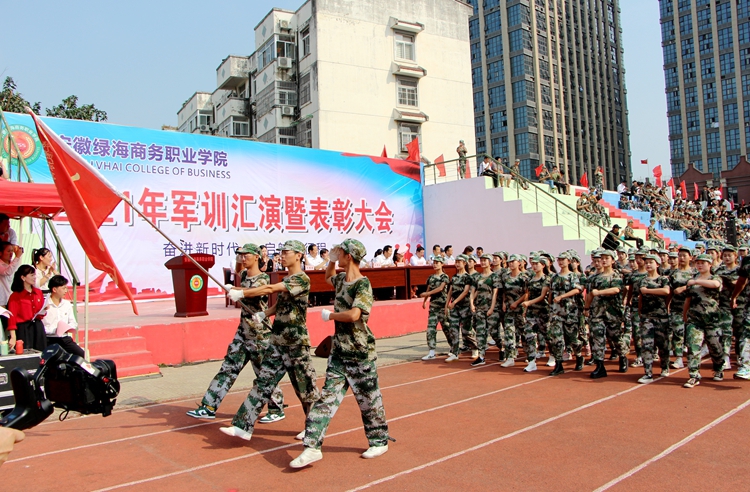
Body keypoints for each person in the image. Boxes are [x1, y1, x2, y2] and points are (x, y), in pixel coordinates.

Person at [291, 239, 391, 468]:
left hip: (360, 353)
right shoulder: (341, 280)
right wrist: (330, 261)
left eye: (341, 253)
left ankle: (379, 440)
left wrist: (331, 316)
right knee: (325, 400)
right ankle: (311, 447)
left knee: (369, 402)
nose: (338, 255)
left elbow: (356, 314)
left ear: (350, 255)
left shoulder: (362, 284)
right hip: (339, 354)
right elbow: (327, 277)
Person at [220, 240, 319, 441]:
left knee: (305, 388)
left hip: (296, 343)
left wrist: (242, 292)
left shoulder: (301, 279)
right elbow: (281, 304)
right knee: (263, 382)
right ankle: (243, 425)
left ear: (298, 255)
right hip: (277, 341)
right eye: (281, 252)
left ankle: (314, 426)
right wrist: (265, 314)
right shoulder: (288, 278)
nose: (282, 255)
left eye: (286, 252)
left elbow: (269, 289)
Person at [187, 243, 285, 422]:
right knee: (228, 368)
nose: (242, 258)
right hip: (242, 332)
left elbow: (253, 293)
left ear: (257, 257)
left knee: (264, 373)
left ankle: (276, 407)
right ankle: (208, 406)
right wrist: (235, 282)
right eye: (240, 255)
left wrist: (237, 291)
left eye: (246, 255)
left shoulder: (262, 279)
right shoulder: (245, 274)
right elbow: (239, 272)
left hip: (259, 334)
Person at [683, 254, 725, 388]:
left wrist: (696, 282)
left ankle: (718, 368)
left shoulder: (714, 278)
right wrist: (685, 314)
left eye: (703, 263)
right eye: (698, 263)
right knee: (693, 346)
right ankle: (694, 375)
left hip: (712, 319)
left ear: (710, 265)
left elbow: (716, 285)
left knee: (715, 347)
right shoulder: (692, 280)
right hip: (695, 319)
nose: (700, 265)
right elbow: (688, 299)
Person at [584, 250, 627, 378]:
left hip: (613, 313)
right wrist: (586, 308)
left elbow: (616, 289)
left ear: (613, 260)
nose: (604, 260)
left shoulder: (616, 276)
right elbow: (590, 294)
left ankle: (623, 356)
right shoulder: (595, 278)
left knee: (616, 338)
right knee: (597, 338)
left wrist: (600, 292)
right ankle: (600, 366)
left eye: (607, 258)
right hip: (597, 312)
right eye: (602, 258)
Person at [635, 254, 671, 383]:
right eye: (647, 262)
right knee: (646, 344)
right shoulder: (642, 280)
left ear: (657, 264)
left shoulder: (663, 279)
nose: (648, 264)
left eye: (651, 262)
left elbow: (666, 292)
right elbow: (640, 297)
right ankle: (648, 372)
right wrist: (640, 312)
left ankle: (664, 366)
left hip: (661, 316)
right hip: (646, 316)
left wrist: (648, 291)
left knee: (663, 344)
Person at [548, 251, 584, 372]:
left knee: (572, 339)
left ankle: (579, 356)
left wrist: (562, 297)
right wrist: (550, 306)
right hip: (556, 312)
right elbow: (551, 292)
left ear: (568, 261)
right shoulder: (554, 277)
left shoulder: (572, 276)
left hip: (570, 311)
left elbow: (577, 290)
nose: (561, 262)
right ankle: (559, 364)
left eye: (563, 259)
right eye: (559, 260)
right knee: (556, 338)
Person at [520, 257, 551, 373]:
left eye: (537, 264)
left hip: (543, 311)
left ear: (543, 265)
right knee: (529, 335)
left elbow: (543, 296)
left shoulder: (546, 279)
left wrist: (529, 302)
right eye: (532, 264)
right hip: (531, 312)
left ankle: (552, 356)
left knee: (547, 335)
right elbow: (527, 293)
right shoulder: (530, 279)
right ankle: (532, 361)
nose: (534, 266)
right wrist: (526, 308)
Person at [6, 265, 47, 351]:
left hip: (37, 326)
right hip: (23, 328)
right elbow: (12, 318)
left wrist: (44, 309)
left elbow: (40, 312)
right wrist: (13, 336)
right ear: (23, 277)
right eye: (32, 275)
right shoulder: (15, 296)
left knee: (41, 352)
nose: (35, 277)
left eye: (35, 275)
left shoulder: (38, 292)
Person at [42, 275, 84, 357]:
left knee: (81, 354)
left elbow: (73, 322)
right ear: (54, 289)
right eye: (63, 288)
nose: (66, 290)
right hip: (49, 338)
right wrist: (54, 330)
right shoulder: (45, 304)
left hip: (64, 338)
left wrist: (68, 328)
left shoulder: (66, 304)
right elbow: (41, 325)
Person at [469, 254, 499, 366]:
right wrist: (472, 304)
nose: (482, 262)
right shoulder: (477, 277)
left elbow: (495, 293)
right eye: (481, 260)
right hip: (480, 308)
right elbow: (473, 292)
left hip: (492, 309)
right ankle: (481, 356)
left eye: (485, 260)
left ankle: (502, 349)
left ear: (489, 262)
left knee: (494, 333)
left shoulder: (494, 277)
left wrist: (492, 308)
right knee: (480, 333)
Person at [444, 254, 475, 362]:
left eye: (459, 262)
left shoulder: (468, 277)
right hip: (454, 308)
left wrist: (455, 302)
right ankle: (454, 352)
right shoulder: (454, 277)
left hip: (465, 307)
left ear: (464, 263)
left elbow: (466, 291)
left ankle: (475, 347)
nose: (457, 264)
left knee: (466, 331)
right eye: (456, 262)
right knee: (453, 330)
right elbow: (450, 292)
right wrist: (447, 304)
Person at [668, 247, 694, 369]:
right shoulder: (673, 273)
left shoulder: (694, 273)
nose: (682, 258)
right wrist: (667, 305)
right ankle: (679, 358)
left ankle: (692, 358)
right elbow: (670, 291)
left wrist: (684, 288)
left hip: (692, 309)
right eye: (680, 256)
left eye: (684, 255)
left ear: (690, 257)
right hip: (676, 307)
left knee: (691, 335)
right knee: (677, 333)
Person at [420, 256, 450, 360]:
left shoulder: (444, 277)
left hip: (442, 306)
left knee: (447, 328)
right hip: (433, 307)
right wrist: (425, 301)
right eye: (434, 262)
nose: (435, 264)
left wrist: (427, 293)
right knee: (430, 329)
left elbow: (441, 288)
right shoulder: (431, 277)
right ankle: (431, 351)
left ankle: (454, 348)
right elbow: (428, 288)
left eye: (437, 262)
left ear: (442, 264)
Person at [500, 254, 527, 367]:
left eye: (513, 261)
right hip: (509, 309)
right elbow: (504, 291)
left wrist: (517, 303)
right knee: (508, 332)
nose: (511, 263)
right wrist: (504, 303)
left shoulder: (523, 277)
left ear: (519, 263)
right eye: (510, 262)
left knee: (524, 332)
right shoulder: (506, 277)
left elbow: (526, 293)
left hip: (520, 308)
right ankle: (510, 357)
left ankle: (529, 355)